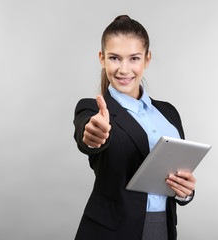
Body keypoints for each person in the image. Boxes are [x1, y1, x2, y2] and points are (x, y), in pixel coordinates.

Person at [73, 15, 196, 240]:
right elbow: (87, 136)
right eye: (114, 58)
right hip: (111, 232)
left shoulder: (169, 114)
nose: (124, 69)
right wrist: (93, 135)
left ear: (147, 60)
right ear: (102, 58)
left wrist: (185, 192)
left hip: (162, 228)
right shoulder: (92, 110)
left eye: (134, 58)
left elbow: (178, 174)